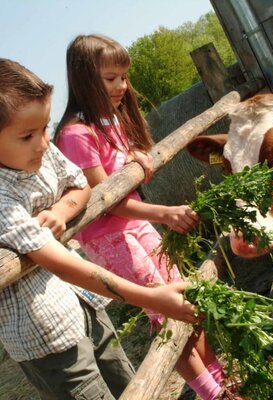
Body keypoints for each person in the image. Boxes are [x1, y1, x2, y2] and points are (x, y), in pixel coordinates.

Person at [0, 57, 201, 400]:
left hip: (86, 305)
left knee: (126, 382)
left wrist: (61, 209)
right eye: (28, 135)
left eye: (46, 128)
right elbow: (60, 263)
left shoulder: (40, 152)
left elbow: (80, 186)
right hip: (46, 335)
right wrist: (152, 298)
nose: (45, 142)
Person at [54, 34, 241, 400]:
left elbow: (125, 174)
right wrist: (164, 212)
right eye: (112, 78)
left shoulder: (110, 121)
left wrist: (138, 158)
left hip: (137, 224)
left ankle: (221, 379)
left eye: (124, 77)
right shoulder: (75, 134)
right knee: (164, 310)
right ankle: (211, 393)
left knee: (187, 299)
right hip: (109, 236)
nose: (122, 86)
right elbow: (105, 200)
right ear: (84, 79)